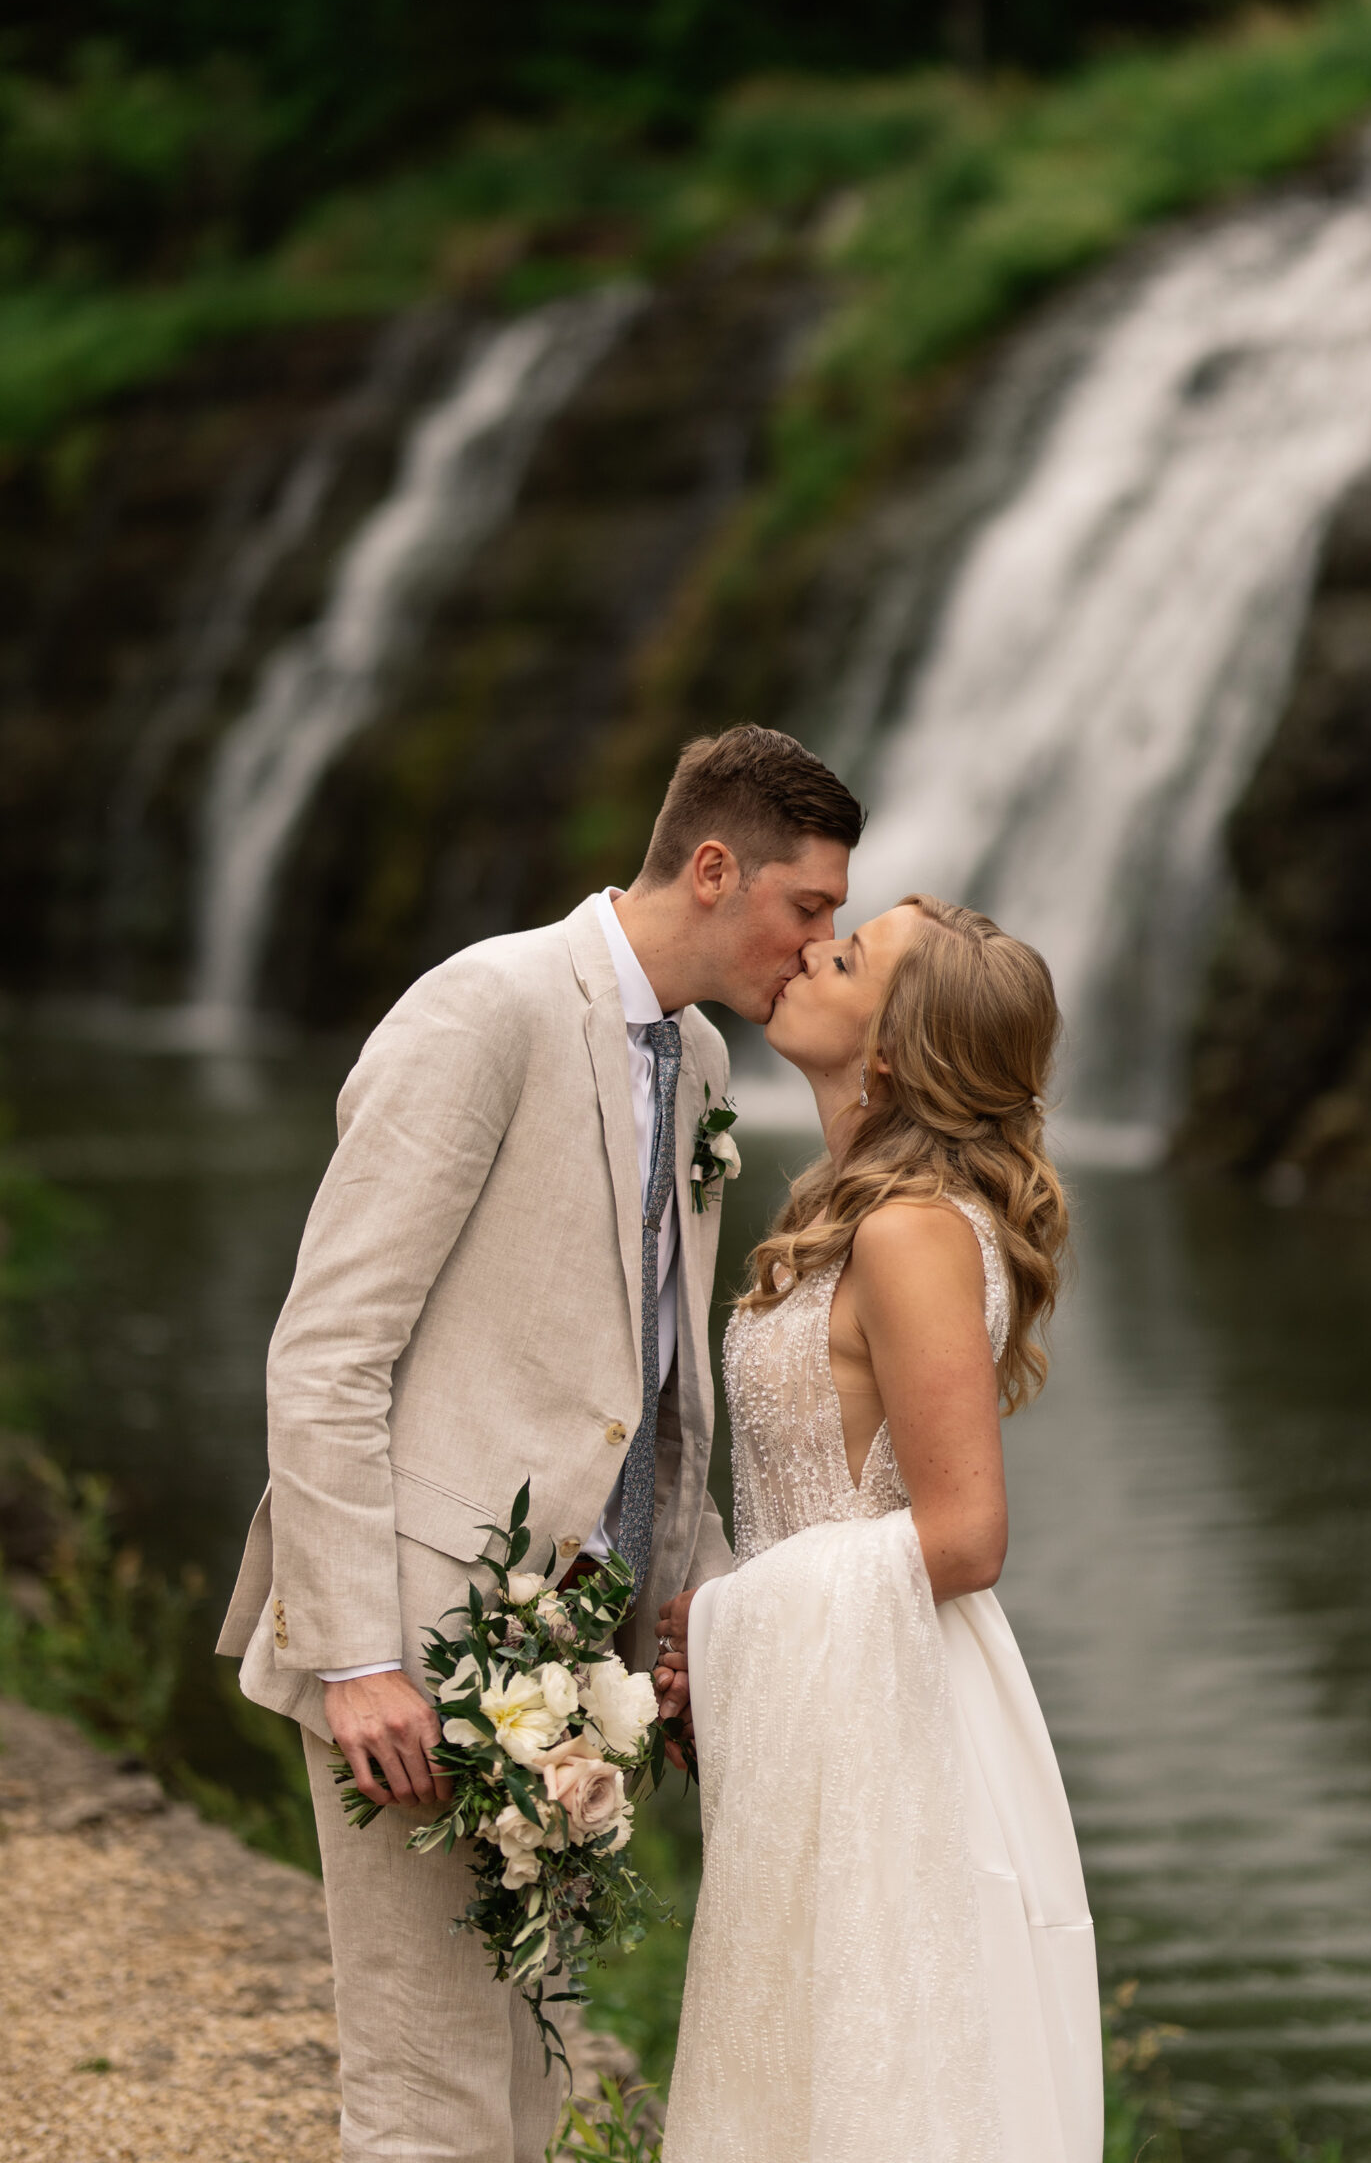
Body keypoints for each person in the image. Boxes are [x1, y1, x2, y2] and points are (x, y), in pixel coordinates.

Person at [216, 724, 864, 2163]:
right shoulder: (484, 1007)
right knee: (425, 2089)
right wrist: (356, 1657)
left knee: (530, 2079)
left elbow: (654, 1382)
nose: (825, 946)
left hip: (581, 1669)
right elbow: (326, 1350)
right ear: (713, 867)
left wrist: (688, 1610)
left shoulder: (695, 1063)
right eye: (807, 907)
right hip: (421, 1642)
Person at [653, 894, 1102, 2163]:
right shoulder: (853, 1210)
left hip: (900, 1730)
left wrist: (732, 1617)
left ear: (897, 1050)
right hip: (832, 1710)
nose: (808, 949)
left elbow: (964, 1537)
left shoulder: (909, 1234)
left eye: (844, 957)